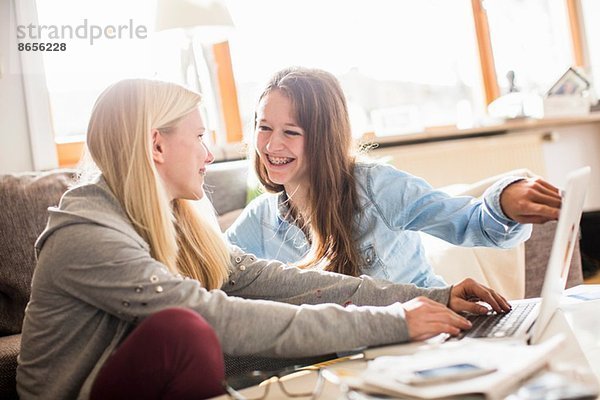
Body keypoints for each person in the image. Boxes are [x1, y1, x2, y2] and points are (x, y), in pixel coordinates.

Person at [16, 79, 511, 400]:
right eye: (200, 137)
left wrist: (429, 299)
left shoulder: (179, 220)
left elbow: (281, 283)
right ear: (156, 145)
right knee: (186, 332)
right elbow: (214, 318)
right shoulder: (88, 235)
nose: (210, 155)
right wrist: (390, 323)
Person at [226, 67, 562, 287]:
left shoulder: (375, 187)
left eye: (291, 132)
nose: (271, 145)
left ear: (323, 136)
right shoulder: (260, 220)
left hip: (428, 333)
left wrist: (504, 203)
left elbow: (470, 222)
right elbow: (210, 268)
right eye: (264, 127)